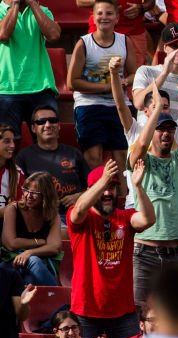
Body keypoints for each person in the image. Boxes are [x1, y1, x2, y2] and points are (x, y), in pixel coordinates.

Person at [129, 91, 178, 307]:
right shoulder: (140, 159)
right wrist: (155, 112)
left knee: (177, 313)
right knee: (140, 314)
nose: (166, 134)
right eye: (161, 130)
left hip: (175, 252)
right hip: (144, 252)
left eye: (170, 130)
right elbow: (142, 144)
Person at [68, 160, 155, 338]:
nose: (107, 193)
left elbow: (148, 219)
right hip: (86, 310)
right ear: (92, 190)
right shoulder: (80, 217)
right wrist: (103, 181)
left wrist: (138, 186)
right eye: (102, 189)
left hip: (123, 312)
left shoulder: (125, 216)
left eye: (112, 187)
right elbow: (79, 210)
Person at [68, 0, 135, 171]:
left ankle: (124, 197)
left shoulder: (125, 41)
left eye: (109, 13)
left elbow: (135, 73)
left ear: (117, 18)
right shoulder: (84, 44)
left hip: (118, 104)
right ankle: (96, 194)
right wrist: (107, 87)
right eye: (100, 13)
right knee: (94, 155)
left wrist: (125, 82)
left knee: (122, 155)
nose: (104, 17)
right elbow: (72, 82)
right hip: (89, 104)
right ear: (93, 17)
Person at [15, 106, 88, 224]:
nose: (48, 125)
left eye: (52, 120)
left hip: (74, 214)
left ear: (59, 126)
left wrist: (79, 196)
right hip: (39, 217)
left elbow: (92, 187)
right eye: (41, 122)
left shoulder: (74, 153)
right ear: (33, 128)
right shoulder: (23, 157)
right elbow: (17, 194)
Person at [0, 0, 60, 138]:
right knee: (6, 145)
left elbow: (54, 35)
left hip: (41, 88)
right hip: (5, 89)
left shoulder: (42, 11)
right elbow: (3, 34)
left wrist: (33, 4)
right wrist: (15, 4)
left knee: (47, 141)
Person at [131, 25, 178, 123]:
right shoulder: (145, 71)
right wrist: (164, 73)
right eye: (174, 46)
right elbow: (139, 104)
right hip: (148, 137)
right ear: (165, 48)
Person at [1, 171, 61, 286]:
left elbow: (54, 247)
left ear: (46, 194)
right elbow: (11, 243)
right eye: (26, 190)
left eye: (34, 193)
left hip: (40, 264)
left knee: (30, 280)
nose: (28, 196)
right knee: (33, 261)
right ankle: (60, 300)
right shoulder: (13, 209)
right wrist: (39, 242)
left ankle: (57, 299)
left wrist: (29, 252)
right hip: (11, 262)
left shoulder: (52, 215)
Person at [0, 122, 22, 210]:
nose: (13, 146)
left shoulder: (17, 172)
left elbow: (19, 208)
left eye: (13, 141)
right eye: (7, 141)